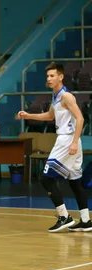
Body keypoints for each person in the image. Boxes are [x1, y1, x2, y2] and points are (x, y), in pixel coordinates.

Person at [18, 62, 91, 232]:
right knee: (75, 182)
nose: (49, 79)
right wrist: (29, 115)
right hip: (68, 140)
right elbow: (50, 116)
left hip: (67, 140)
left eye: (52, 76)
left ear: (61, 77)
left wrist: (73, 141)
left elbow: (80, 119)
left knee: (46, 178)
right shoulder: (56, 96)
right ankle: (86, 220)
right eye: (47, 76)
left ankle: (64, 216)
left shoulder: (66, 96)